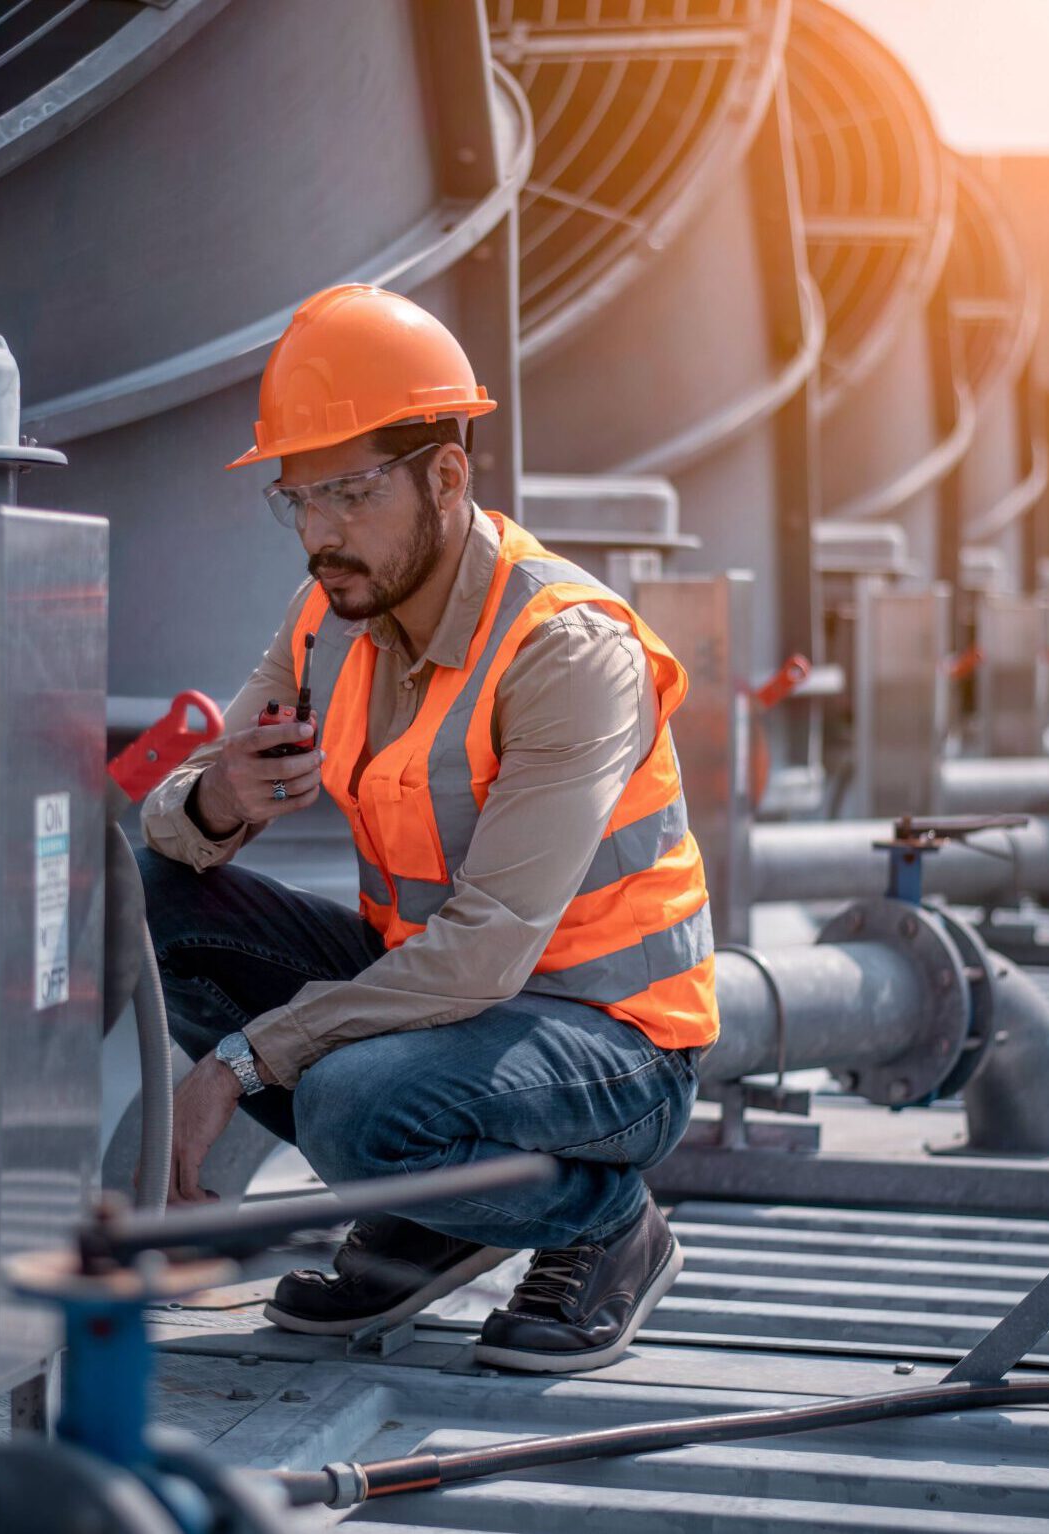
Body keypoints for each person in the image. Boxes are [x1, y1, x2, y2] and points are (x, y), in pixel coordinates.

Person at [135, 283, 717, 1374]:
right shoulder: (331, 615)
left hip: (609, 1043)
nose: (318, 537)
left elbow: (491, 947)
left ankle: (608, 1225)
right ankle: (437, 1210)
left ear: (446, 476)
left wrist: (237, 1062)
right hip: (439, 1012)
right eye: (295, 500)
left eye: (349, 495)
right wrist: (218, 803)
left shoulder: (564, 649)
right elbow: (173, 821)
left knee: (354, 1101)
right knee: (152, 904)